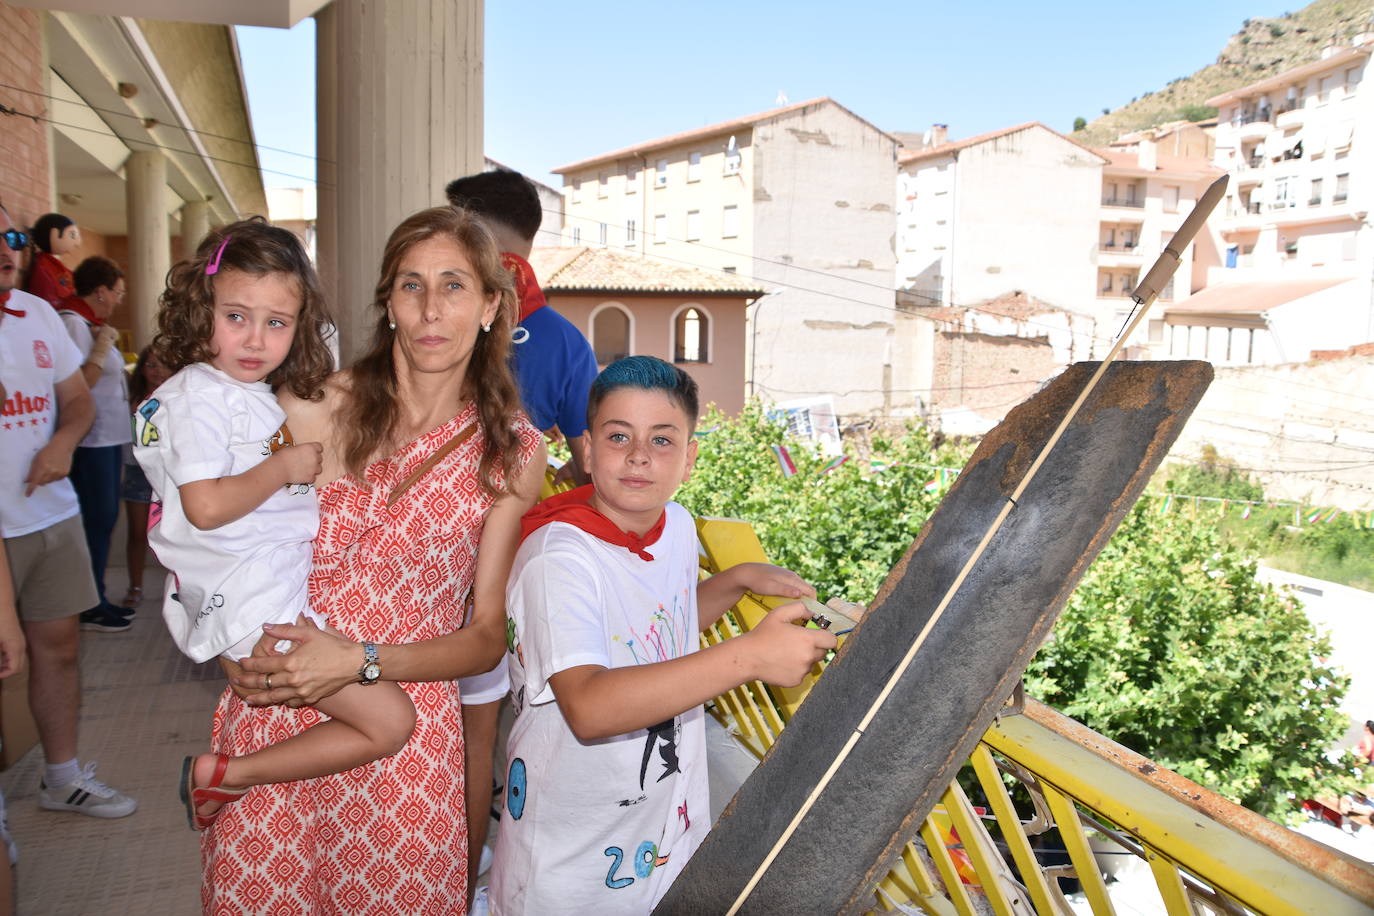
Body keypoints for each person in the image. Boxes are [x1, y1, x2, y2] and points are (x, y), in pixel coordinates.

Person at [203, 206, 545, 913]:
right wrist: (224, 645)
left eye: (453, 286)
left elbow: (485, 639)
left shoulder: (512, 451)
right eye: (410, 285)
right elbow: (208, 533)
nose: (429, 308)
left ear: (489, 306)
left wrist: (357, 660)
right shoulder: (308, 409)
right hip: (280, 709)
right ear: (388, 302)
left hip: (404, 737)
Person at [490, 356, 836, 914]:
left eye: (663, 440)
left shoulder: (673, 525)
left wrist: (734, 582)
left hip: (659, 838)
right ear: (585, 449)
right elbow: (589, 706)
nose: (639, 456)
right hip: (570, 861)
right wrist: (746, 657)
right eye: (618, 435)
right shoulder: (558, 558)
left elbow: (653, 631)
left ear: (690, 458)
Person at [132, 219, 418, 830]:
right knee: (391, 722)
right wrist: (283, 466)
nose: (256, 338)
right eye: (236, 316)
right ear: (199, 309)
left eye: (277, 322)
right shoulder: (198, 398)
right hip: (252, 604)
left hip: (258, 594)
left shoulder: (238, 389)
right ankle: (226, 776)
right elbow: (205, 506)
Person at [446, 168, 599, 900]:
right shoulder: (565, 339)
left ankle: (442, 869)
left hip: (429, 557)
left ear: (475, 225)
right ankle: (469, 875)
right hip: (510, 569)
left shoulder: (446, 311)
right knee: (484, 730)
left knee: (440, 726)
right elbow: (592, 455)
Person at [0, 201, 136, 819]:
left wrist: (60, 442)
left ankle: (61, 777)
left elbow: (76, 403)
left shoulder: (35, 314)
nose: (6, 249)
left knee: (58, 650)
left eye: (11, 236)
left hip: (50, 516)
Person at [55, 256, 133, 633]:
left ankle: (96, 596)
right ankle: (89, 602)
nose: (119, 299)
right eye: (117, 292)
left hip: (107, 439)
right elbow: (77, 384)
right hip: (91, 441)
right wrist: (101, 349)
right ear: (100, 291)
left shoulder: (91, 323)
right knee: (96, 521)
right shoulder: (73, 323)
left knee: (103, 521)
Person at [118, 346, 171, 609]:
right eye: (150, 365)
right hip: (138, 472)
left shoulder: (180, 395)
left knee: (176, 534)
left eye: (162, 364)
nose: (157, 371)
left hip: (171, 472)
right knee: (138, 534)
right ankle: (135, 585)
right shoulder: (132, 398)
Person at [24, 213, 80, 308]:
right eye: (72, 235)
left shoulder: (51, 263)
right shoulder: (44, 266)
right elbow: (48, 295)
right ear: (54, 233)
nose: (77, 243)